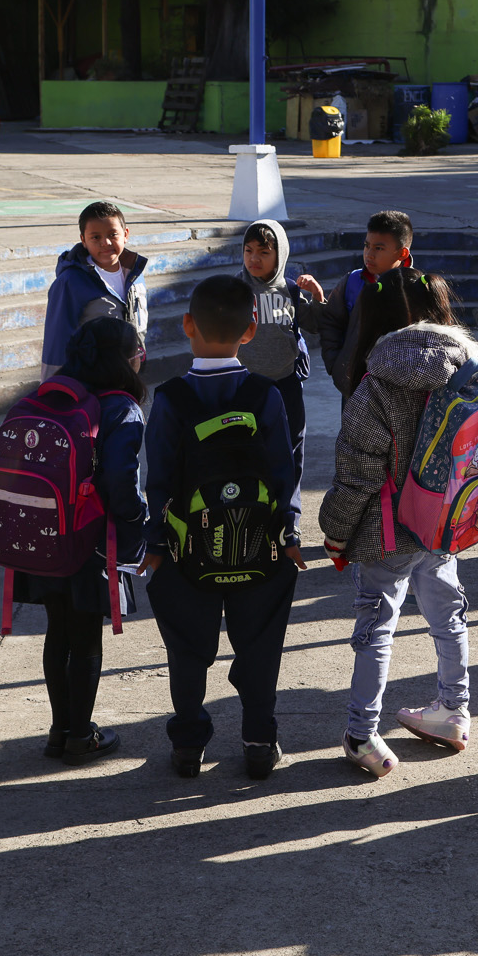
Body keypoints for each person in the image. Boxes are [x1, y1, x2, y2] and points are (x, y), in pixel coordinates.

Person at [138, 274, 304, 781]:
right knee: (260, 646)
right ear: (250, 330)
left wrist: (156, 542)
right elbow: (284, 472)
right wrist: (290, 532)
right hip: (261, 548)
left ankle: (189, 745)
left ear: (187, 325)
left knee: (188, 649)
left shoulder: (169, 399)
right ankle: (259, 741)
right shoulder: (265, 394)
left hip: (187, 551)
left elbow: (159, 479)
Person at [317, 266, 476, 779]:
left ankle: (363, 733)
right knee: (447, 613)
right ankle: (454, 709)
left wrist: (336, 530)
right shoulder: (468, 369)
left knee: (376, 625)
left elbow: (357, 473)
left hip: (388, 530)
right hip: (444, 522)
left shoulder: (375, 387)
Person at [6, 318, 148, 763]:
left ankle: (58, 729)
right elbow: (122, 479)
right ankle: (81, 735)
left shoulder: (55, 398)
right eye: (136, 351)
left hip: (43, 536)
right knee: (86, 636)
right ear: (123, 361)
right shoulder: (121, 408)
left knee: (59, 631)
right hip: (90, 540)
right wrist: (136, 525)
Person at [239, 219, 326, 508]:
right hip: (245, 385)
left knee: (290, 448)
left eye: (263, 252)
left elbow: (314, 325)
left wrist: (317, 296)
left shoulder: (290, 290)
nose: (254, 258)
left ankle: (289, 512)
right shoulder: (234, 290)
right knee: (248, 448)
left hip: (286, 383)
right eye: (248, 250)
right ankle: (252, 506)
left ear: (280, 254)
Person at [42, 200, 149, 379]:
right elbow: (57, 340)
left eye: (113, 234)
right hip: (91, 381)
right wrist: (54, 389)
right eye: (95, 237)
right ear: (83, 240)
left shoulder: (135, 274)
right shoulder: (71, 282)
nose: (105, 242)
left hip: (128, 376)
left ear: (126, 234)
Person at [318, 210, 414, 397]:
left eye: (378, 248)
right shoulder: (353, 282)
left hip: (399, 393)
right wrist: (336, 365)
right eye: (366, 246)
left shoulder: (415, 289)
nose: (369, 254)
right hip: (353, 387)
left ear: (402, 253)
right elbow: (331, 321)